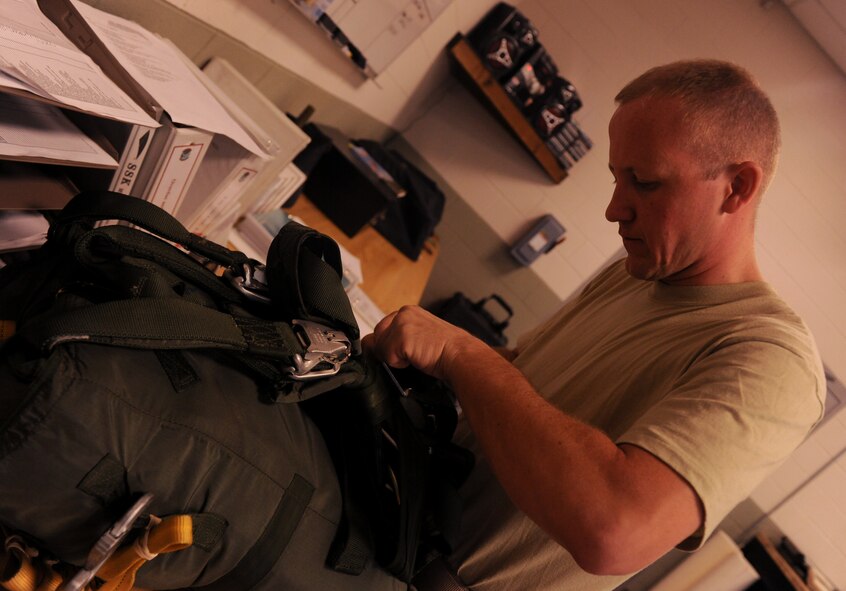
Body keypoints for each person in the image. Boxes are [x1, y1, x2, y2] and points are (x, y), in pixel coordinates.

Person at [364, 59, 826, 590]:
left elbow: (615, 529)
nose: (614, 210)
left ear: (736, 187)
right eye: (616, 178)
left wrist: (460, 353)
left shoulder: (773, 359)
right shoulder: (636, 274)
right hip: (390, 539)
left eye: (646, 183)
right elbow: (526, 379)